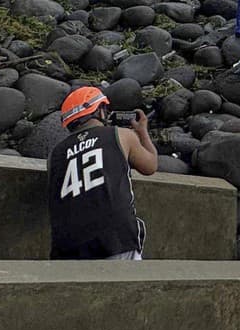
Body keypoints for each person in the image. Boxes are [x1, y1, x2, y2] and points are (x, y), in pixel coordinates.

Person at [46, 86, 157, 259]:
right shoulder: (121, 135)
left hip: (67, 249)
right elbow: (150, 166)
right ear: (100, 111)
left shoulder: (55, 153)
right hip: (116, 239)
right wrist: (142, 132)